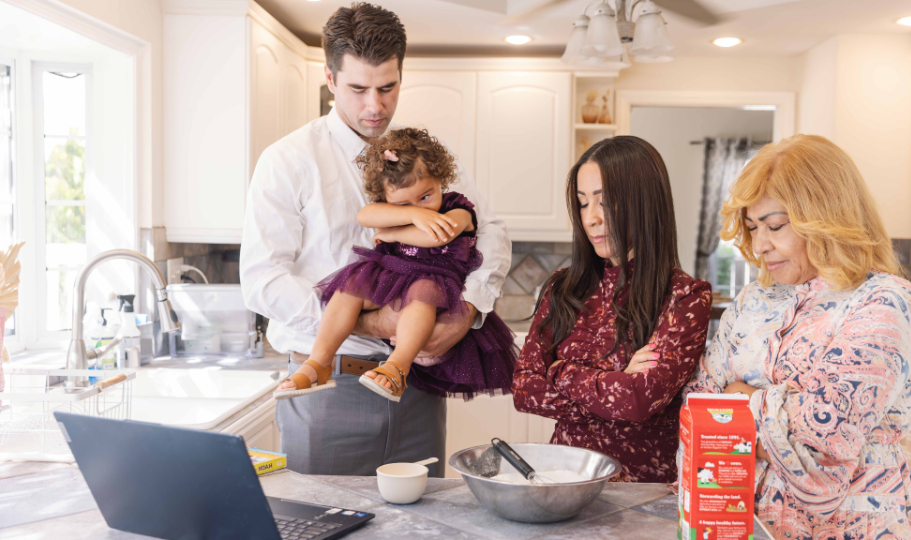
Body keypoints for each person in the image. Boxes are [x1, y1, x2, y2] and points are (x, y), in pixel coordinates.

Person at [240, 3, 510, 476]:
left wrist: (467, 311)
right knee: (318, 514)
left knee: (423, 516)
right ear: (330, 78)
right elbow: (262, 281)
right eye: (358, 89)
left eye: (387, 88)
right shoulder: (287, 161)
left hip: (419, 388)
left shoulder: (426, 157)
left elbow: (491, 231)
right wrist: (372, 323)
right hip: (326, 388)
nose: (375, 106)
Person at [680, 134, 911, 539]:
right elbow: (699, 407)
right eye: (752, 227)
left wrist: (739, 398)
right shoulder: (755, 299)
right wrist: (777, 411)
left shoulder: (886, 303)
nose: (760, 244)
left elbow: (820, 447)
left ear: (827, 216)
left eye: (775, 226)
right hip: (740, 522)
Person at [512, 136, 712, 483]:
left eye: (605, 202)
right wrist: (612, 384)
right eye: (582, 203)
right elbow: (524, 389)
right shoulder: (564, 287)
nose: (590, 218)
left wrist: (560, 371)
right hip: (564, 481)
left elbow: (636, 400)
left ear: (645, 202)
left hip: (643, 493)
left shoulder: (685, 297)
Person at [274, 127, 516, 402]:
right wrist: (412, 214)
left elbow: (437, 236)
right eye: (403, 204)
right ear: (386, 198)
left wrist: (392, 233)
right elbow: (365, 216)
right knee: (350, 287)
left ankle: (398, 367)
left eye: (426, 196)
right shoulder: (404, 211)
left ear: (440, 179)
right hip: (394, 274)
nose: (421, 208)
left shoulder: (458, 209)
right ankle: (319, 363)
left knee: (422, 294)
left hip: (435, 279)